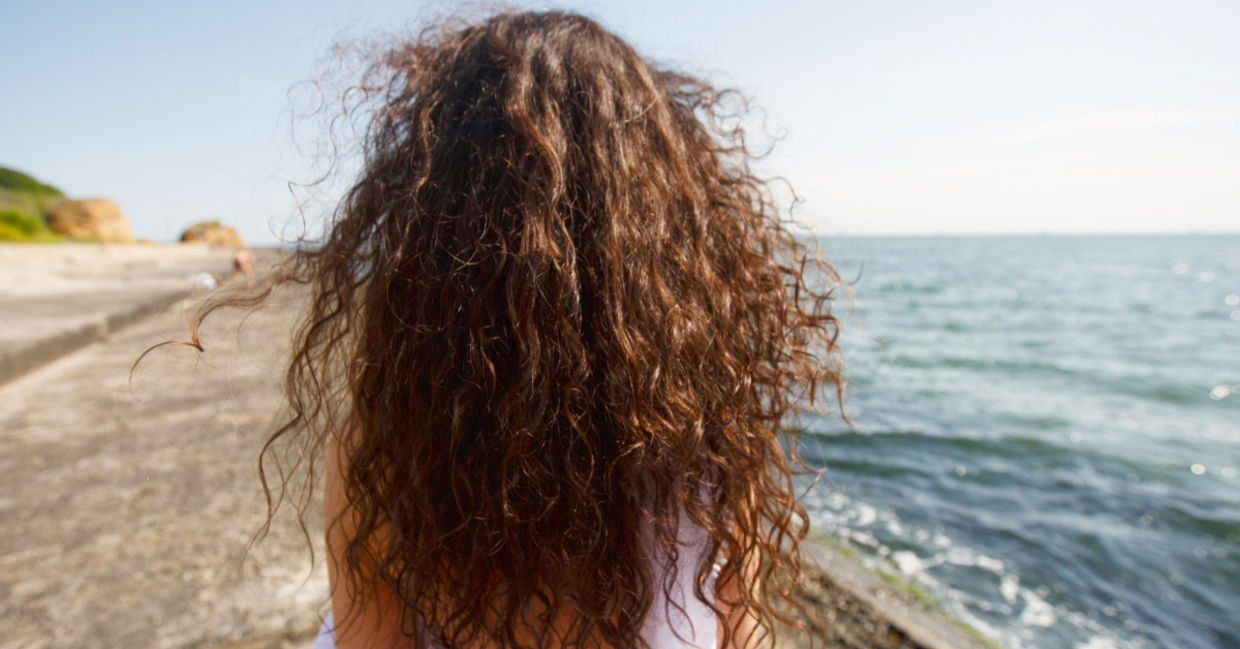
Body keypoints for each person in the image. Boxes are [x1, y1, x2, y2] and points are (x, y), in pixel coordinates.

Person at [204, 9, 843, 649]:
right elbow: (746, 633)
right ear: (668, 228)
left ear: (434, 228)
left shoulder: (386, 449)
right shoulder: (714, 439)